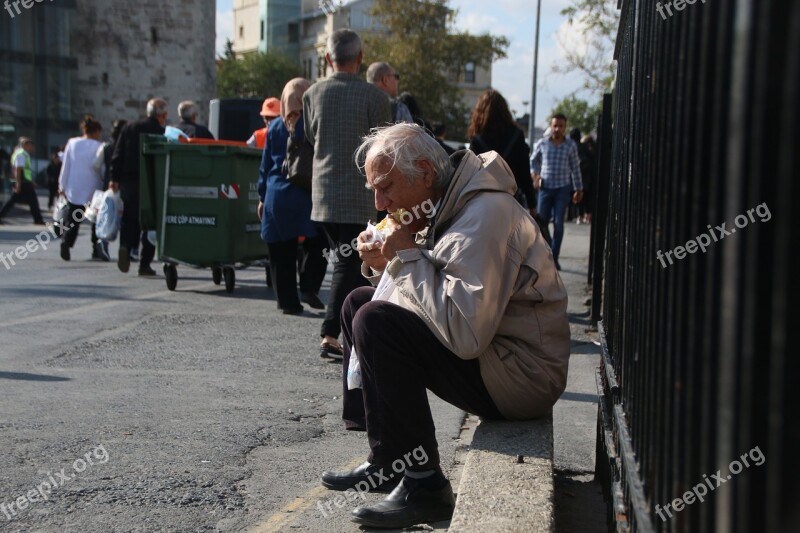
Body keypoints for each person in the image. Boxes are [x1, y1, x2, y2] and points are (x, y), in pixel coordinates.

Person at [320, 123, 570, 529]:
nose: (381, 205)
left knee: (376, 321)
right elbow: (443, 282)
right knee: (358, 303)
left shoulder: (485, 215)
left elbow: (466, 333)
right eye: (375, 192)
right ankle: (387, 461)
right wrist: (390, 263)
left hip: (521, 376)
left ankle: (425, 485)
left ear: (426, 171)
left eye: (386, 187)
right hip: (495, 354)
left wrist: (405, 257)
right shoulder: (446, 202)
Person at [302, 28, 391, 359]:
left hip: (323, 192)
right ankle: (330, 332)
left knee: (347, 263)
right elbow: (383, 146)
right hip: (360, 194)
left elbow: (312, 137)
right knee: (346, 263)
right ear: (360, 58)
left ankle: (351, 330)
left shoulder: (312, 94)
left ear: (327, 59)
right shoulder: (376, 98)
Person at [257, 78, 327, 314]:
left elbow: (265, 165)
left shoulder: (275, 126)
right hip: (305, 193)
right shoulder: (314, 122)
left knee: (280, 249)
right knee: (319, 240)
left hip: (275, 194)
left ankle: (287, 302)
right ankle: (308, 284)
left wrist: (261, 197)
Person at [109, 98, 167, 276]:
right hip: (152, 180)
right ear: (162, 115)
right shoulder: (161, 131)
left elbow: (117, 153)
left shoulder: (129, 127)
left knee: (129, 217)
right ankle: (144, 263)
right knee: (150, 222)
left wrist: (114, 177)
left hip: (129, 180)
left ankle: (125, 246)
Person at [467, 89, 536, 216]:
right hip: (511, 198)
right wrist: (532, 204)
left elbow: (470, 173)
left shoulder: (477, 138)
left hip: (484, 201)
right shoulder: (517, 135)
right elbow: (525, 173)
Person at [530, 113, 583, 269]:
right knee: (542, 223)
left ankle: (554, 257)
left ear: (565, 127)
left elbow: (575, 168)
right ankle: (543, 257)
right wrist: (535, 174)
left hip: (562, 188)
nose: (557, 129)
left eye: (561, 126)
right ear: (551, 126)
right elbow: (533, 160)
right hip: (545, 187)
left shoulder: (570, 145)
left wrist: (579, 188)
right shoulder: (543, 143)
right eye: (555, 126)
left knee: (559, 223)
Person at [57, 115, 106, 262]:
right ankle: (95, 248)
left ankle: (66, 241)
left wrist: (62, 185)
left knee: (73, 219)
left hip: (75, 187)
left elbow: (66, 166)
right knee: (95, 219)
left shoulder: (72, 143)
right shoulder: (100, 146)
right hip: (93, 187)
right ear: (96, 131)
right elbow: (102, 168)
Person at [0, 137, 45, 225]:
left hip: (24, 181)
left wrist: (31, 181)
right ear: (26, 145)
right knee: (30, 201)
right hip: (22, 182)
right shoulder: (21, 154)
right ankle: (38, 219)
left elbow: (25, 170)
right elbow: (18, 169)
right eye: (31, 146)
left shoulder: (23, 154)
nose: (33, 148)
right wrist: (18, 183)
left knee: (22, 201)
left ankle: (38, 219)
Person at [578, 134, 596, 224]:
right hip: (591, 179)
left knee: (582, 198)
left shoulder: (583, 152)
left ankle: (581, 215)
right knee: (589, 198)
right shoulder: (594, 152)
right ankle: (587, 215)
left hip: (584, 178)